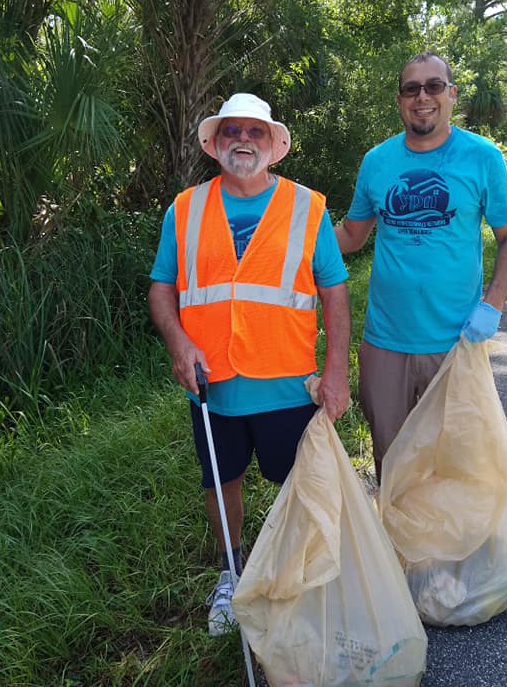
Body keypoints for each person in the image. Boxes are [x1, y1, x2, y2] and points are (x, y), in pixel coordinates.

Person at [148, 93, 351, 636]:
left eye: (256, 131)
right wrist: (177, 343)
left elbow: (334, 291)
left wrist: (335, 373)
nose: (244, 139)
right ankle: (232, 571)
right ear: (215, 144)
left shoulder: (308, 207)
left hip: (288, 383)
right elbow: (161, 288)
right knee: (221, 482)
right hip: (212, 384)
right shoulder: (185, 208)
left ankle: (298, 577)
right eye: (232, 130)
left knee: (298, 486)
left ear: (273, 145)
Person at [335, 51, 507, 483]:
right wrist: (294, 236)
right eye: (411, 88)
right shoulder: (377, 161)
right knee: (392, 459)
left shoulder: (482, 157)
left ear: (451, 94)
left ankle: (450, 551)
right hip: (385, 343)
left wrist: (492, 304)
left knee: (455, 464)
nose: (423, 96)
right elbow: (351, 235)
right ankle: (398, 550)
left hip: (456, 341)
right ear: (400, 99)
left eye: (433, 86)